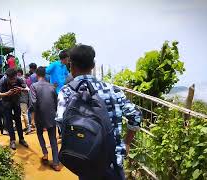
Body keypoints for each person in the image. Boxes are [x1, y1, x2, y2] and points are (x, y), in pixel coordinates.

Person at [56, 44, 142, 180]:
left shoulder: (67, 92)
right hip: (113, 161)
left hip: (85, 160)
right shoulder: (113, 89)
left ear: (71, 66)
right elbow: (135, 115)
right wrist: (127, 142)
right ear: (93, 65)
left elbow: (61, 123)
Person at [29, 66, 61, 171]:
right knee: (53, 139)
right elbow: (56, 102)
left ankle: (45, 154)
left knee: (39, 133)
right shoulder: (52, 87)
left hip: (39, 116)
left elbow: (33, 103)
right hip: (51, 115)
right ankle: (56, 163)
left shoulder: (33, 86)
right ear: (45, 75)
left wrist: (32, 118)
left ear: (37, 75)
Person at [0, 68, 29, 150]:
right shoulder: (2, 81)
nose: (12, 81)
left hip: (16, 102)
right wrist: (6, 93)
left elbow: (27, 89)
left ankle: (21, 139)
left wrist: (21, 89)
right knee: (9, 121)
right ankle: (12, 140)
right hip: (6, 103)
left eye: (14, 78)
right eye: (10, 79)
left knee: (18, 120)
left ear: (16, 76)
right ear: (7, 76)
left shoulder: (19, 79)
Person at [17, 69, 32, 134]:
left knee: (24, 113)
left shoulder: (21, 80)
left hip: (22, 99)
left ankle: (28, 127)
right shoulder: (20, 79)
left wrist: (21, 89)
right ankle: (27, 127)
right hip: (21, 99)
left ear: (19, 73)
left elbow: (27, 89)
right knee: (23, 113)